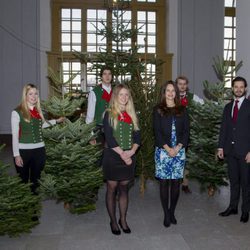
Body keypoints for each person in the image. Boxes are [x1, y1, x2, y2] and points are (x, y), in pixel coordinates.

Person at [11, 83, 64, 195]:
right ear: (25, 95)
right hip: (23, 151)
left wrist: (56, 121)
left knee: (36, 181)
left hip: (39, 150)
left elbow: (41, 125)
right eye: (30, 94)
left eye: (36, 94)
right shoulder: (17, 112)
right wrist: (16, 155)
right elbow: (15, 135)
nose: (34, 96)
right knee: (23, 182)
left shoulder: (38, 111)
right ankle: (25, 208)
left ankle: (34, 208)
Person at [102, 84, 140, 235]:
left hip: (129, 156)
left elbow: (138, 136)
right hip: (112, 156)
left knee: (124, 189)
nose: (124, 98)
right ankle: (113, 220)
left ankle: (123, 219)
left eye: (127, 95)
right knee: (111, 189)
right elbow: (109, 139)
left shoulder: (132, 114)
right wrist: (123, 155)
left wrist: (131, 152)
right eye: (121, 95)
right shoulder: (109, 114)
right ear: (116, 96)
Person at [153, 80, 189, 227]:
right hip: (163, 151)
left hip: (179, 152)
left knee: (175, 183)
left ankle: (172, 211)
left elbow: (186, 131)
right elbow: (157, 131)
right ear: (164, 93)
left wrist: (178, 147)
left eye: (173, 90)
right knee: (164, 183)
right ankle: (166, 214)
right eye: (167, 90)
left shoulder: (183, 109)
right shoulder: (158, 109)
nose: (170, 93)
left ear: (176, 93)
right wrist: (168, 149)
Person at [217, 76, 250, 223]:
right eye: (236, 87)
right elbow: (224, 129)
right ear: (232, 89)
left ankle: (245, 211)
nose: (238, 89)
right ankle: (233, 207)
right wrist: (220, 147)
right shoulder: (227, 107)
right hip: (230, 151)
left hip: (245, 152)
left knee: (246, 183)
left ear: (245, 89)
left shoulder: (249, 106)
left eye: (241, 87)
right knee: (234, 181)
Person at [176, 75, 203, 194]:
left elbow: (203, 109)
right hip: (175, 133)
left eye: (184, 84)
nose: (182, 86)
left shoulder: (193, 98)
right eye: (179, 84)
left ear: (187, 86)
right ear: (176, 85)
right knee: (176, 158)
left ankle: (185, 184)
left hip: (189, 133)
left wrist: (196, 120)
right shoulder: (171, 96)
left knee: (187, 158)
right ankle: (175, 182)